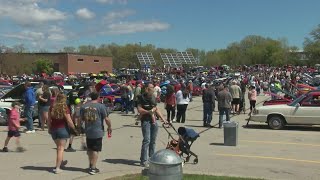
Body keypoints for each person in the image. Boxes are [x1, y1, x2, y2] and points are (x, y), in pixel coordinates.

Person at [80, 92, 112, 175]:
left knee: (90, 149)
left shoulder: (84, 106)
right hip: (97, 131)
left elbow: (80, 119)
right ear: (98, 97)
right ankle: (93, 168)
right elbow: (106, 119)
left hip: (88, 131)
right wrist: (109, 127)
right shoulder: (101, 106)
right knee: (96, 150)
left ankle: (91, 164)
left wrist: (80, 128)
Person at [137, 83, 167, 167]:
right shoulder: (141, 97)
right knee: (147, 140)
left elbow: (156, 109)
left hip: (153, 121)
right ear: (147, 89)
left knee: (153, 141)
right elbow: (139, 109)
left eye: (153, 87)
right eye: (152, 88)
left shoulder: (153, 97)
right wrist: (148, 112)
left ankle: (152, 158)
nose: (153, 89)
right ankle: (143, 160)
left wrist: (163, 119)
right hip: (145, 121)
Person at [47, 93, 77, 174]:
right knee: (61, 149)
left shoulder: (51, 107)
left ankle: (61, 162)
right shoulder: (64, 107)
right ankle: (57, 168)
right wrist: (74, 128)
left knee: (59, 148)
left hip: (54, 129)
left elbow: (49, 120)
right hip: (62, 129)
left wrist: (49, 129)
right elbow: (69, 120)